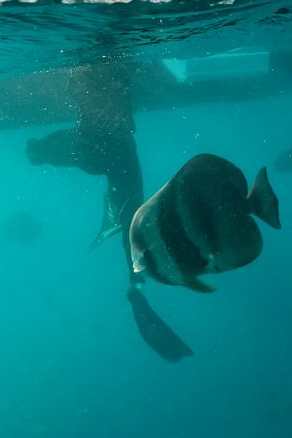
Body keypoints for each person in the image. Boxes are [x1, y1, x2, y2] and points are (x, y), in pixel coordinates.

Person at [25, 62, 193, 362]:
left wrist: (46, 150)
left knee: (131, 216)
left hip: (105, 145)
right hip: (112, 146)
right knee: (131, 216)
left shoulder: (87, 78)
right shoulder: (101, 76)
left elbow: (77, 133)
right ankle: (136, 279)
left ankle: (136, 280)